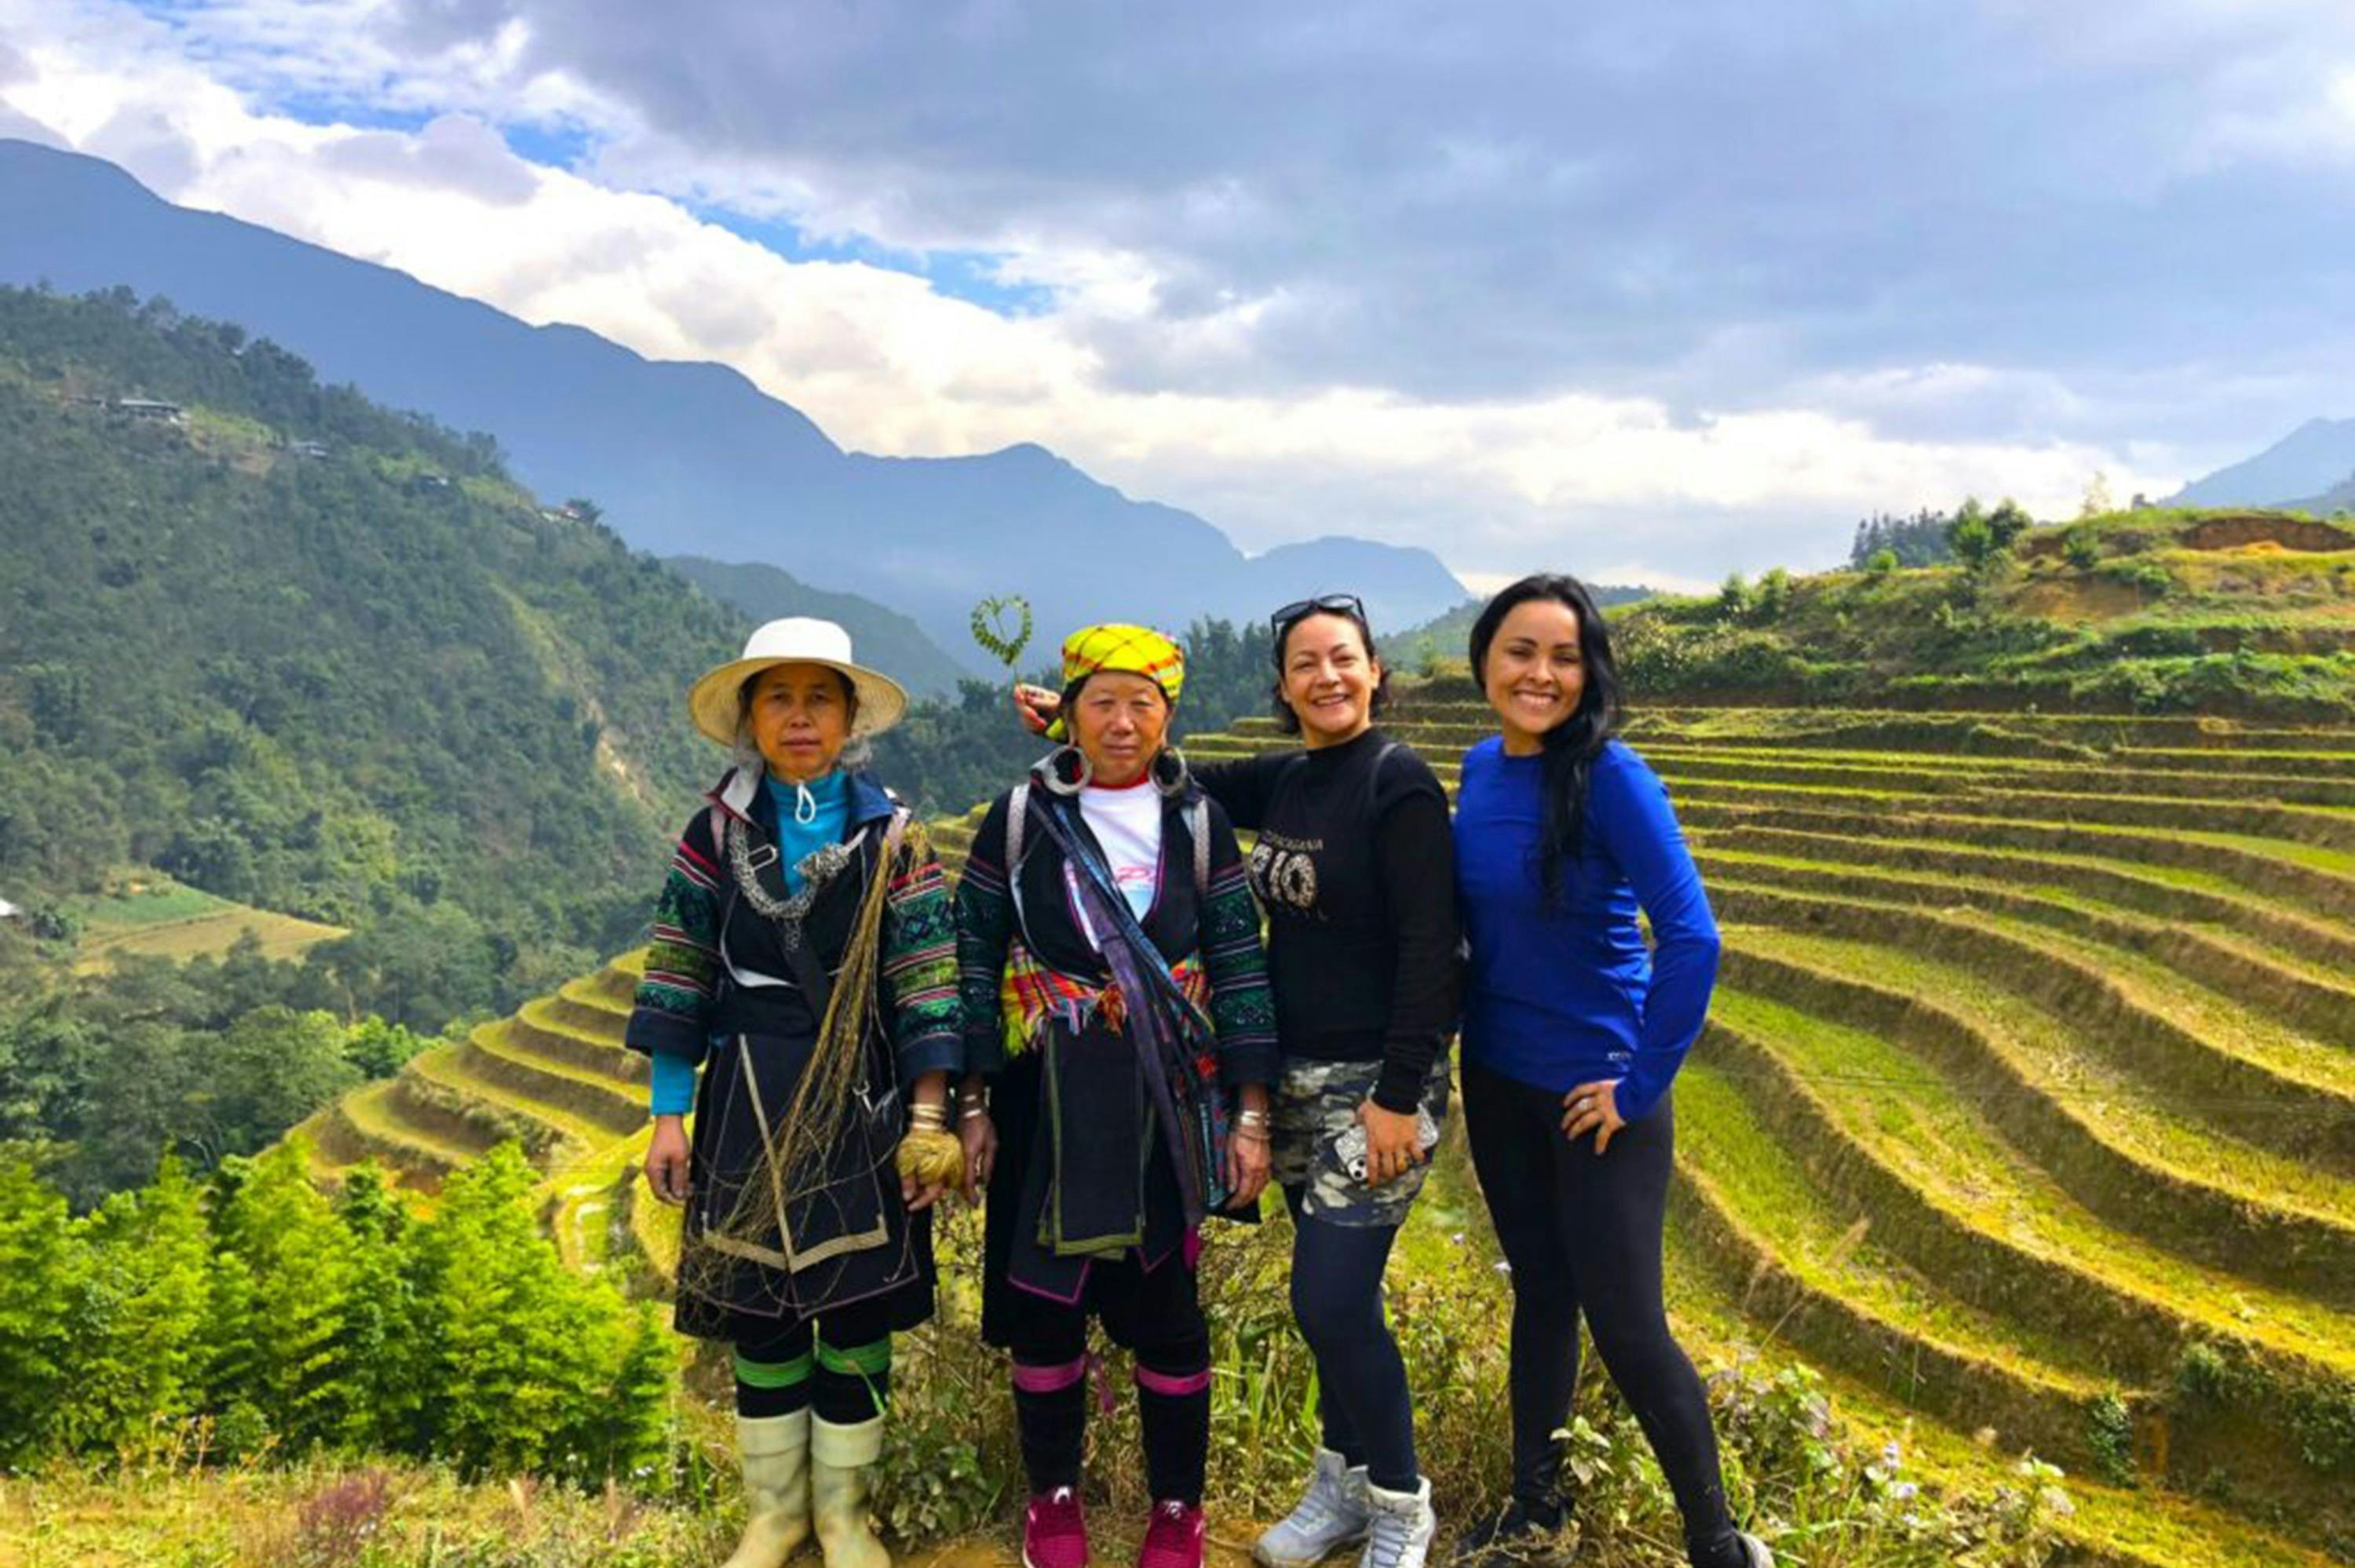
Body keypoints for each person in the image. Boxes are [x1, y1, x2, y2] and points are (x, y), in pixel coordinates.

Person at [1016, 595, 1459, 1568]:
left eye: (1343, 659)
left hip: (1377, 1085)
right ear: (1284, 684)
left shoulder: (1400, 785)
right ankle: (1340, 1485)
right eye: (1305, 664)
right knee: (1338, 1302)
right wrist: (1078, 718)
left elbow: (1435, 949)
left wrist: (1400, 1093)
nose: (1327, 678)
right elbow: (1160, 770)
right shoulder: (1291, 779)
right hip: (1293, 1076)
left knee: (1331, 1302)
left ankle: (1398, 1500)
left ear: (1376, 671)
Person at [625, 618, 966, 1568]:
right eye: (780, 696)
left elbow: (929, 976)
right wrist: (667, 1113)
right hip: (744, 1096)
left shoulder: (895, 836)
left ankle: (844, 1516)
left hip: (864, 1095)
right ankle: (774, 1515)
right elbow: (679, 973)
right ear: (750, 716)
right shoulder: (714, 833)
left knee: (854, 1304)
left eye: (821, 697)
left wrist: (929, 1121)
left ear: (851, 716)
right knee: (759, 1308)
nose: (801, 717)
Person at [1451, 576, 1770, 1568]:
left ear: (1587, 673)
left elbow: (1693, 939)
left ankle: (1717, 1542)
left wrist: (1635, 1086)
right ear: (1485, 661)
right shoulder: (1481, 767)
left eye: (1563, 655)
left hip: (1597, 1102)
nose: (1540, 673)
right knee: (1541, 1295)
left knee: (1629, 1328)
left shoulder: (1612, 775)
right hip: (1498, 1082)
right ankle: (1535, 1510)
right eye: (1520, 650)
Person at [957, 624, 1279, 1568]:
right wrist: (970, 1103)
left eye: (1144, 702)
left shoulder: (1198, 823)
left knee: (1168, 1315)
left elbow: (1239, 961)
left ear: (1170, 715)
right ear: (1070, 710)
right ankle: (1052, 1500)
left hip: (1165, 1106)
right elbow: (976, 961)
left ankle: (1177, 1509)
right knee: (1045, 1308)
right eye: (1103, 700)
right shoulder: (1017, 819)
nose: (1123, 720)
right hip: (1043, 1101)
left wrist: (1251, 1117)